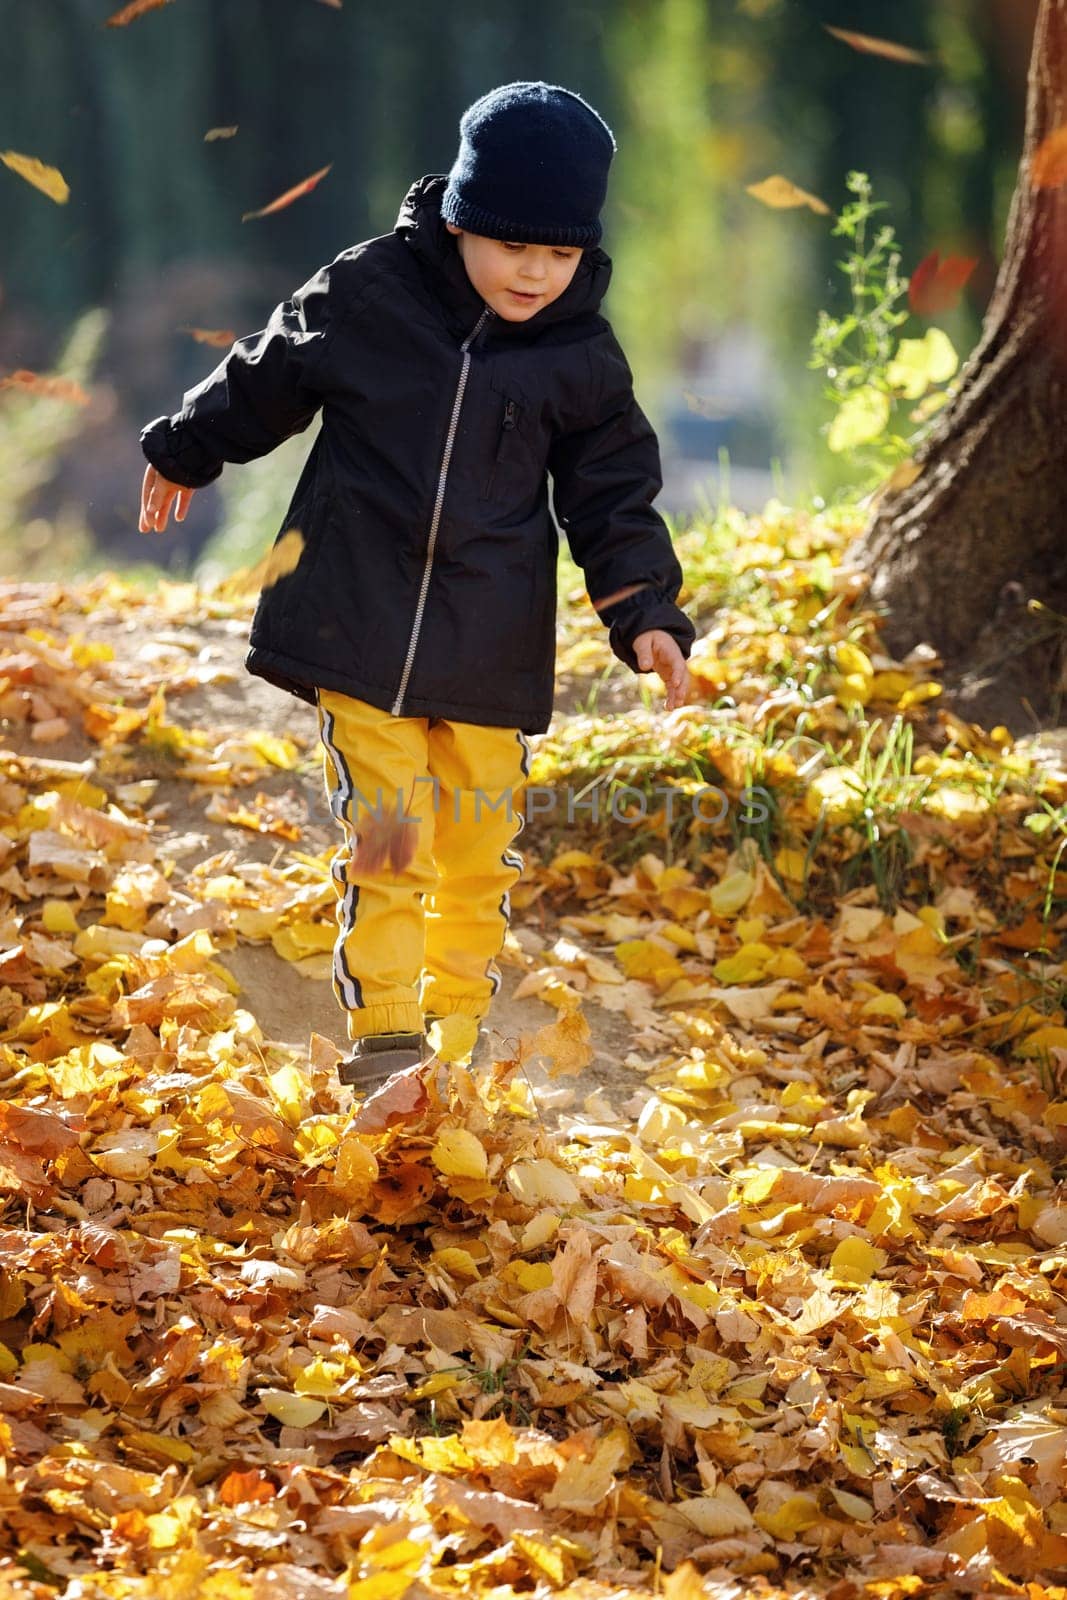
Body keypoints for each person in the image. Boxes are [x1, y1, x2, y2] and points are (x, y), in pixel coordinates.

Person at [138, 80, 696, 1095]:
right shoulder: (370, 293)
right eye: (512, 242)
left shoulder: (579, 355)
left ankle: (456, 1026)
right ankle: (387, 1038)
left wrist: (645, 613)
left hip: (487, 653)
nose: (534, 270)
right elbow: (268, 371)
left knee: (477, 851)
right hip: (360, 629)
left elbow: (612, 495)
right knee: (391, 843)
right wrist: (185, 447)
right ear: (458, 217)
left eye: (559, 252)